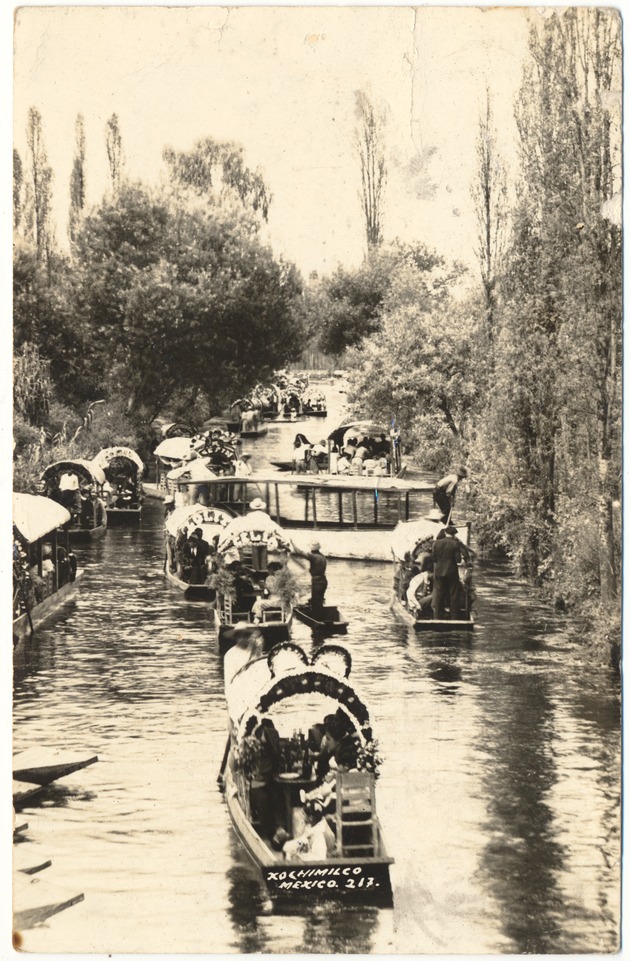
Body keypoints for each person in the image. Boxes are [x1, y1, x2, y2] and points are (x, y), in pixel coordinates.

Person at [431, 524, 462, 620]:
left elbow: (434, 559)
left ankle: (437, 617)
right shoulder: (455, 543)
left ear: (445, 532)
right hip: (452, 572)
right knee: (453, 594)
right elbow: (458, 560)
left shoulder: (436, 543)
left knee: (439, 594)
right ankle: (454, 618)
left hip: (439, 571)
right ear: (453, 534)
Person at [291, 540, 327, 615]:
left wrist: (292, 543)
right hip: (324, 581)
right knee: (319, 600)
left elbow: (299, 552)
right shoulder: (322, 556)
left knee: (316, 602)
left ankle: (317, 618)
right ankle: (321, 616)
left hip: (317, 582)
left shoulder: (313, 556)